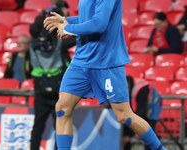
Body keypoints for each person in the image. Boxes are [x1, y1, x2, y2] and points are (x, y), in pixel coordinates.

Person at [43, 0, 167, 150]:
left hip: (106, 61)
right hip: (81, 61)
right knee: (62, 108)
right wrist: (66, 20)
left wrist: (68, 28)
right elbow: (87, 18)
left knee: (124, 116)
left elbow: (99, 24)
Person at [29, 1, 76, 150]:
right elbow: (77, 39)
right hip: (57, 89)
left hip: (40, 89)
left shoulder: (31, 43)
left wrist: (44, 13)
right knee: (60, 124)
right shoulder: (59, 43)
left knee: (38, 126)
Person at [123, 76, 162, 150]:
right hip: (140, 107)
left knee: (148, 132)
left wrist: (129, 135)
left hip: (152, 107)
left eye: (127, 87)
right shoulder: (126, 89)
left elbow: (141, 113)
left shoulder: (141, 88)